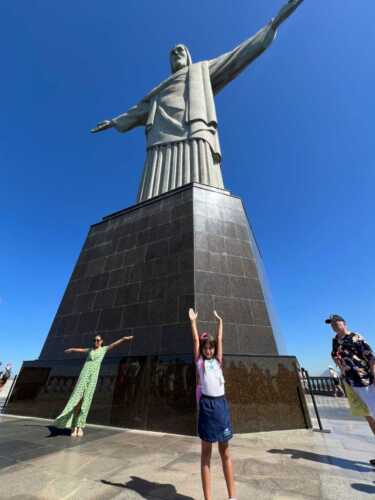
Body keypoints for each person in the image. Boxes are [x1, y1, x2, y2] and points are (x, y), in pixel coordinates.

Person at [91, 1, 304, 203]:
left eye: (180, 50)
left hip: (193, 126)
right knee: (155, 183)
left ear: (188, 56)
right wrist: (113, 122)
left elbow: (237, 56)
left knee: (201, 178)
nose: (176, 54)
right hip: (160, 134)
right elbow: (138, 110)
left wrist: (274, 23)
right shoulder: (157, 91)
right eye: (172, 53)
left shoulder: (201, 70)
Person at [189, 308, 236, 500]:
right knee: (206, 454)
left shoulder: (218, 361)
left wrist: (220, 322)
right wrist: (193, 321)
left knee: (225, 452)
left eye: (211, 347)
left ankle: (232, 497)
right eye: (206, 347)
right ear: (202, 349)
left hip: (221, 406)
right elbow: (195, 341)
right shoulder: (199, 362)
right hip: (207, 406)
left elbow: (220, 338)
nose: (208, 349)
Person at [54, 334, 133, 437]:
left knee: (86, 401)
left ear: (101, 341)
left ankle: (80, 427)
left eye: (97, 340)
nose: (95, 341)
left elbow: (114, 344)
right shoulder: (90, 350)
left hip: (93, 377)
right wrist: (72, 349)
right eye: (94, 340)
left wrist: (124, 339)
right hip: (84, 375)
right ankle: (73, 427)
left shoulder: (104, 349)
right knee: (77, 399)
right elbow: (81, 350)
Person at [327, 314, 375, 465]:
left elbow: (371, 357)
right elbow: (334, 355)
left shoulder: (355, 337)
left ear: (344, 323)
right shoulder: (335, 340)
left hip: (363, 380)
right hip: (349, 382)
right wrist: (339, 364)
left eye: (336, 322)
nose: (334, 325)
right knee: (367, 416)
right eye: (331, 324)